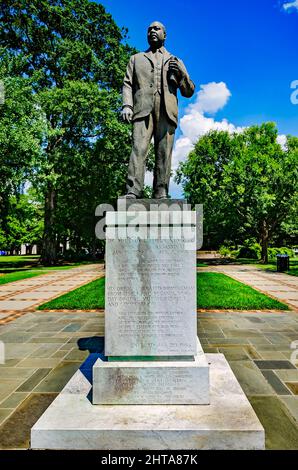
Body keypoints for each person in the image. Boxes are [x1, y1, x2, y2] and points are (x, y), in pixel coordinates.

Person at [121, 21, 195, 199]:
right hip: (142, 110)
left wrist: (182, 75)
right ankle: (133, 190)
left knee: (164, 152)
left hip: (167, 112)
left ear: (165, 35)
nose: (152, 31)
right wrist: (127, 105)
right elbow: (127, 84)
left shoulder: (175, 60)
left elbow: (189, 91)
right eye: (149, 29)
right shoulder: (136, 59)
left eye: (157, 28)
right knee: (138, 149)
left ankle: (161, 191)